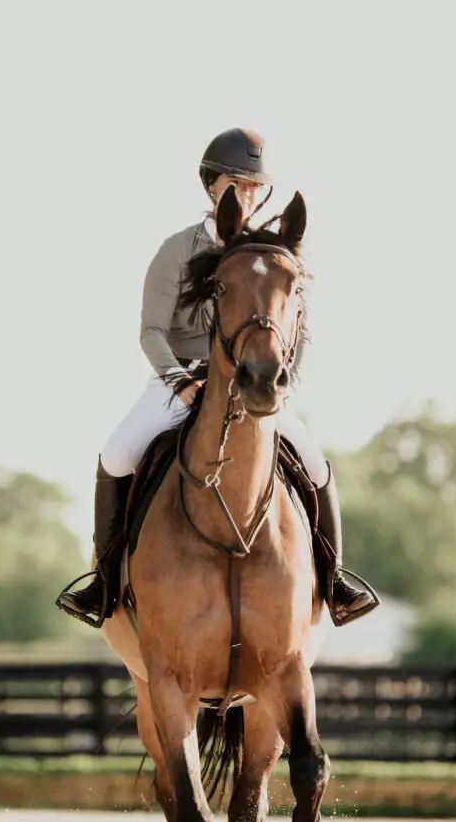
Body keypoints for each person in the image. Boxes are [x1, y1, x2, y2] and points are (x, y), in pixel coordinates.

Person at [58, 128, 377, 626]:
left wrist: (285, 384)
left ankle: (334, 581)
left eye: (254, 186)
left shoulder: (276, 255)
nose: (246, 195)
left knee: (315, 464)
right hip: (182, 380)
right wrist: (179, 383)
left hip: (255, 389)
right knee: (116, 455)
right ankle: (102, 584)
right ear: (212, 186)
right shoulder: (177, 249)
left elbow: (300, 334)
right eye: (236, 183)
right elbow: (151, 331)